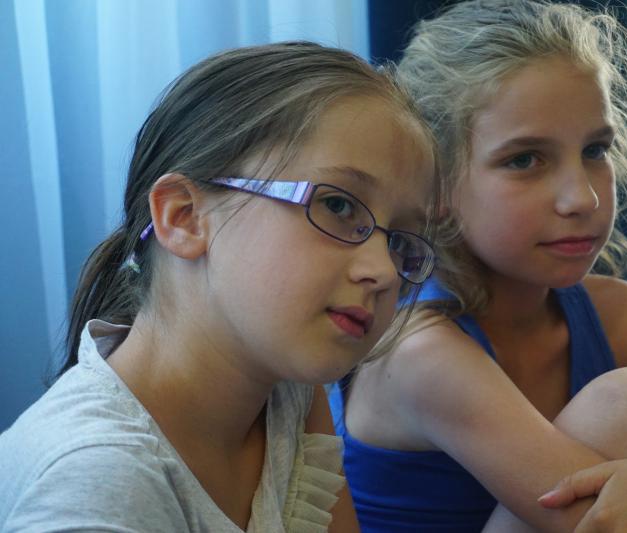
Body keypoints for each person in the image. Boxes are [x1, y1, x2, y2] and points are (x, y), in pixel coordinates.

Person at [329, 1, 627, 531]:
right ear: (433, 184)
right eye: (525, 160)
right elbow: (624, 524)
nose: (582, 199)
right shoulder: (421, 354)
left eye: (595, 151)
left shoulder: (612, 311)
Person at [0, 42, 438, 532]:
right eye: (337, 205)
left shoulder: (287, 391)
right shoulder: (97, 488)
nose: (384, 272)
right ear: (185, 217)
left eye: (400, 241)